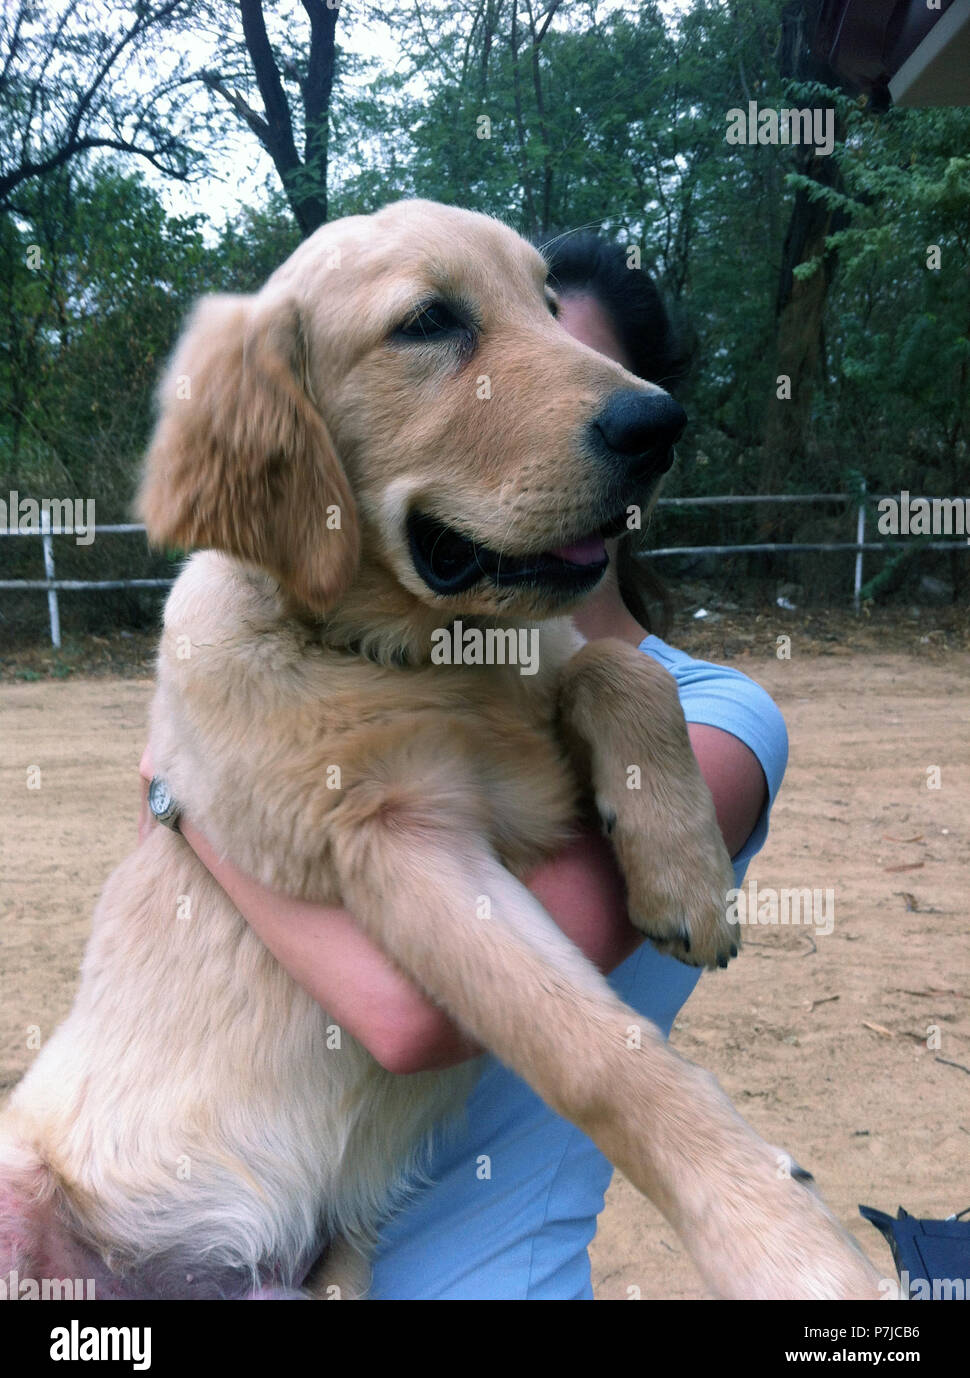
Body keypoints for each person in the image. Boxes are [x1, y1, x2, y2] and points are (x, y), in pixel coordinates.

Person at [138, 232, 788, 1299]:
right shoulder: (379, 665)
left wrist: (180, 787)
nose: (556, 393)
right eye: (460, 342)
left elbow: (412, 1014)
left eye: (581, 367)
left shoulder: (719, 718)